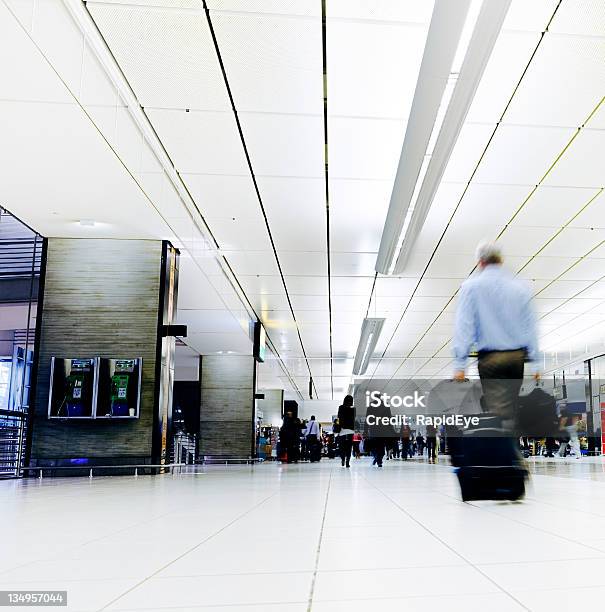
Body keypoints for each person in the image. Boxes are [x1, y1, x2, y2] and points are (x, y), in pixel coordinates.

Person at [453, 242, 539, 429]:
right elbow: (530, 326)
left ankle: (508, 456)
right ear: (501, 260)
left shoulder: (471, 287)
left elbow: (465, 326)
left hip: (491, 359)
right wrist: (536, 362)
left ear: (480, 263)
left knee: (499, 413)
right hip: (516, 358)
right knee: (511, 407)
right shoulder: (520, 287)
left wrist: (460, 364)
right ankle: (511, 452)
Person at [337, 395, 355, 468]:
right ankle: (348, 461)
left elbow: (339, 417)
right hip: (350, 430)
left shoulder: (341, 407)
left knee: (342, 447)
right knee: (349, 447)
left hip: (342, 430)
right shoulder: (353, 409)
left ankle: (343, 459)